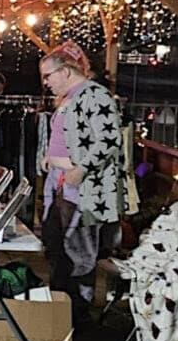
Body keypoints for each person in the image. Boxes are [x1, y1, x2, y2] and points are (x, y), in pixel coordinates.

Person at [39, 42, 124, 324]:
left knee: (78, 251)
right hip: (61, 184)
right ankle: (60, 309)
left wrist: (82, 168)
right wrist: (50, 158)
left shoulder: (95, 95)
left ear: (65, 71)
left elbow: (110, 139)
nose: (46, 82)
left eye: (48, 75)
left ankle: (77, 315)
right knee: (58, 247)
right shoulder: (70, 99)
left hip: (82, 189)